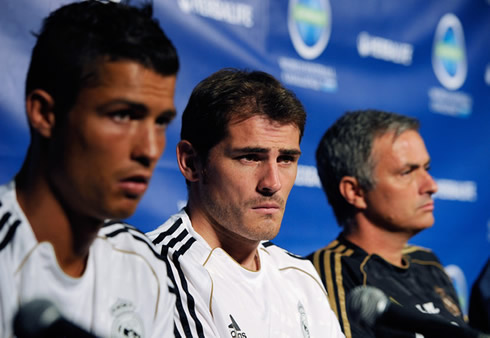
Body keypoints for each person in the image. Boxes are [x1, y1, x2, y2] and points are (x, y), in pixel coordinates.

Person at [0, 1, 179, 337]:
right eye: (123, 115)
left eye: (161, 122)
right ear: (45, 114)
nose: (151, 150)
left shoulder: (146, 269)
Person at [146, 68, 345, 337]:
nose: (272, 183)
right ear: (191, 162)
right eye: (250, 157)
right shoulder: (154, 271)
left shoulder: (300, 275)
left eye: (286, 159)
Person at [307, 109, 467, 338]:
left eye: (426, 169)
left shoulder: (428, 262)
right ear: (355, 191)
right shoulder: (324, 274)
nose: (431, 186)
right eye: (407, 172)